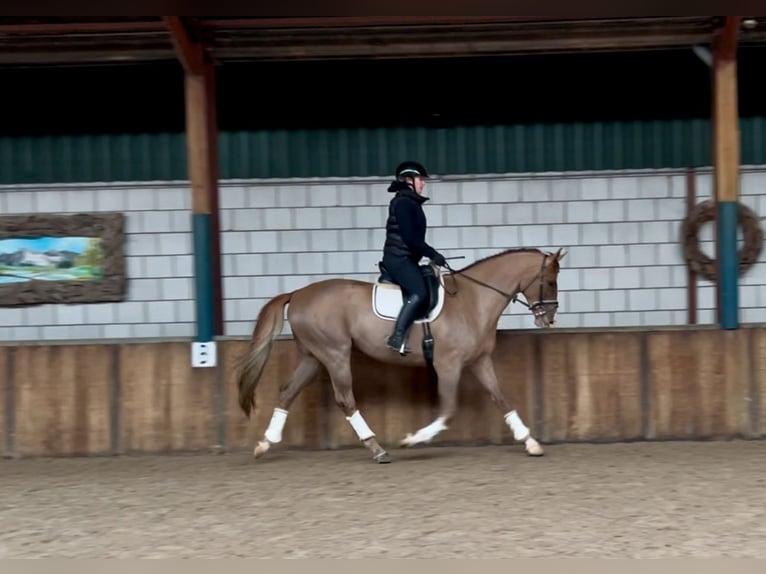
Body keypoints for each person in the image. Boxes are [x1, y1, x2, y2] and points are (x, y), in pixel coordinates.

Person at [381, 160, 447, 355]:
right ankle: (397, 336)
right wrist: (433, 254)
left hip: (406, 258)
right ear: (408, 180)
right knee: (419, 292)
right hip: (398, 259)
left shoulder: (409, 202)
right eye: (420, 179)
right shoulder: (403, 203)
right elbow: (411, 239)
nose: (423, 183)